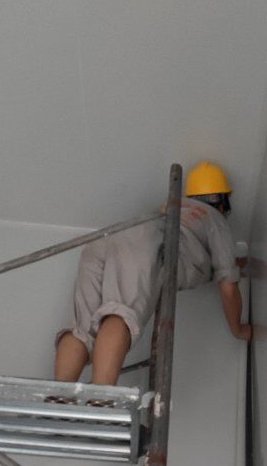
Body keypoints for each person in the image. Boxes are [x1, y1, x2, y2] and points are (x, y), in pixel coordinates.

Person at [52, 162, 252, 391]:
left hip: (107, 239)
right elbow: (228, 286)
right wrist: (239, 329)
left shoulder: (170, 210)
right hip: (139, 247)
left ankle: (58, 396)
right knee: (120, 312)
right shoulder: (215, 218)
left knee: (81, 327)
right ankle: (101, 399)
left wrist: (243, 266)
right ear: (222, 201)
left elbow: (219, 265)